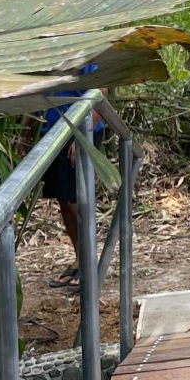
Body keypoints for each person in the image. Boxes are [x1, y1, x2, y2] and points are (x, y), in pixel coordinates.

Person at [32, 64, 106, 288]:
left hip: (78, 133)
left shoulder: (82, 48)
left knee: (77, 201)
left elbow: (100, 91)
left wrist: (83, 136)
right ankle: (79, 257)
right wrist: (28, 126)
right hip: (51, 131)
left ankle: (88, 262)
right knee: (64, 200)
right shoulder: (41, 47)